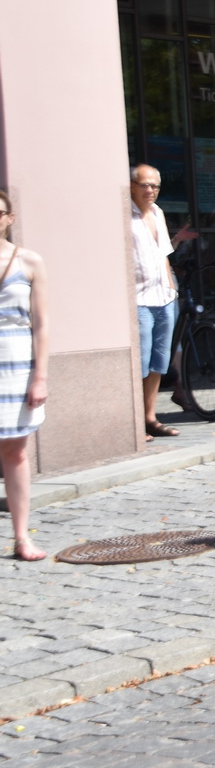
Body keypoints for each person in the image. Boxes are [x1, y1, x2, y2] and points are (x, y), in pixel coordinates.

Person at [0, 190, 48, 561]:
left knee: (16, 452)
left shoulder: (30, 261)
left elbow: (42, 326)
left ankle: (21, 537)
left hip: (15, 364)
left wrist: (40, 377)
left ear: (9, 218)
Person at [130, 164, 192, 441]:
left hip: (163, 297)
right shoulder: (124, 216)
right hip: (139, 298)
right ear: (132, 185)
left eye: (155, 185)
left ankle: (149, 418)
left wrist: (171, 288)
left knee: (158, 362)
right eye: (145, 184)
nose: (150, 190)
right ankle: (133, 423)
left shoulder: (158, 213)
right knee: (140, 362)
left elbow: (164, 253)